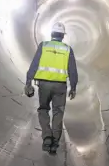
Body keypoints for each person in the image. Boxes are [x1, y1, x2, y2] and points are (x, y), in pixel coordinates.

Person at [24, 22, 78, 154]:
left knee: (43, 110)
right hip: (60, 86)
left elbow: (34, 64)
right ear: (63, 36)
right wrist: (73, 87)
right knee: (58, 113)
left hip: (44, 85)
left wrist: (28, 81)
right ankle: (55, 142)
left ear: (52, 34)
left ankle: (47, 136)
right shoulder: (67, 49)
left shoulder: (44, 45)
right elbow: (72, 71)